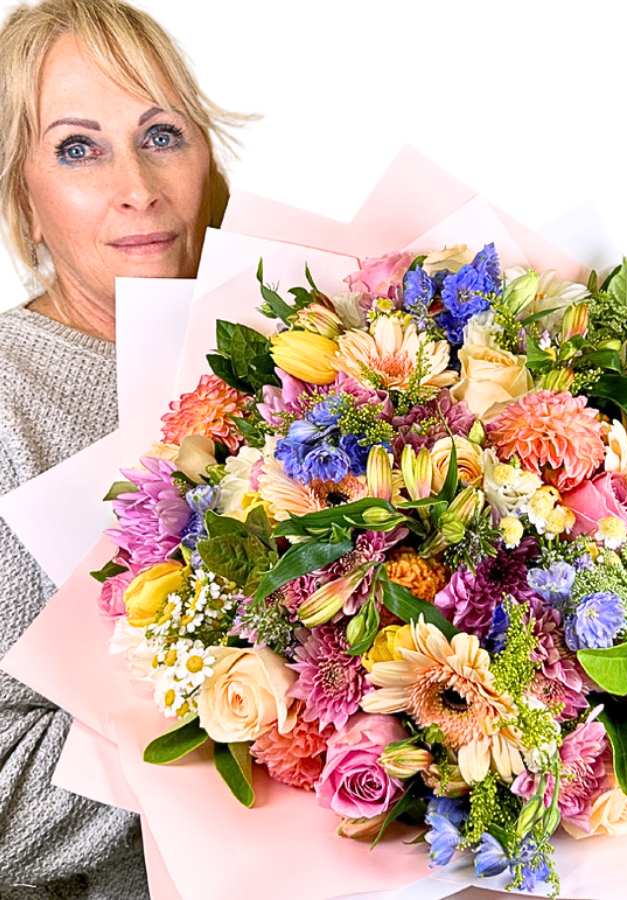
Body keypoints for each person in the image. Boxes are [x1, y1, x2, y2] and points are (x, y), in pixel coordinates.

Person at [0, 2, 254, 896]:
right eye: (78, 147)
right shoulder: (5, 401)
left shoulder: (297, 347)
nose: (139, 184)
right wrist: (253, 720)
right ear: (21, 194)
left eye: (161, 133)